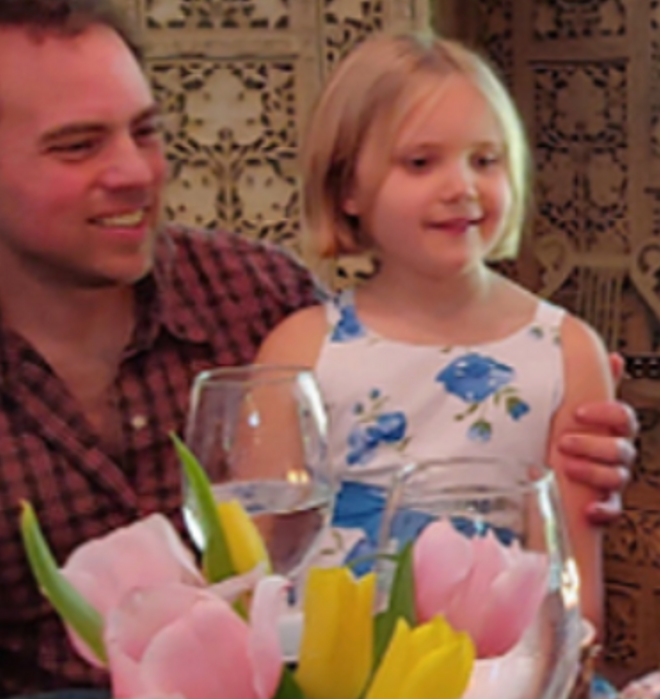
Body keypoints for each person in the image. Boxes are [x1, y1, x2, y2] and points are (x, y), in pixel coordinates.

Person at [0, 0, 637, 698]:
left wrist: (589, 446)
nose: (135, 172)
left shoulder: (256, 292)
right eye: (77, 145)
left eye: (145, 131)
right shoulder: (302, 337)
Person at [254, 31, 610, 628]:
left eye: (485, 160)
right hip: (338, 666)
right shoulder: (301, 349)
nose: (462, 187)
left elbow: (573, 595)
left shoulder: (568, 352)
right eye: (420, 162)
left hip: (502, 665)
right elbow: (255, 570)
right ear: (347, 189)